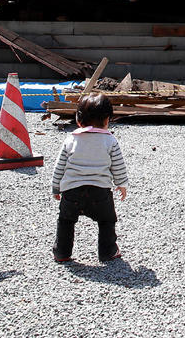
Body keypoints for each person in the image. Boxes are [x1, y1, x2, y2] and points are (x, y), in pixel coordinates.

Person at [51, 93, 128, 263]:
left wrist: (56, 187)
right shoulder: (110, 141)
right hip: (100, 192)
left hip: (71, 192)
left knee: (66, 221)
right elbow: (118, 166)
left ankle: (62, 252)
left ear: (78, 119)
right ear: (108, 119)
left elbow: (60, 167)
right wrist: (121, 184)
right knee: (107, 220)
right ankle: (108, 252)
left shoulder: (71, 139)